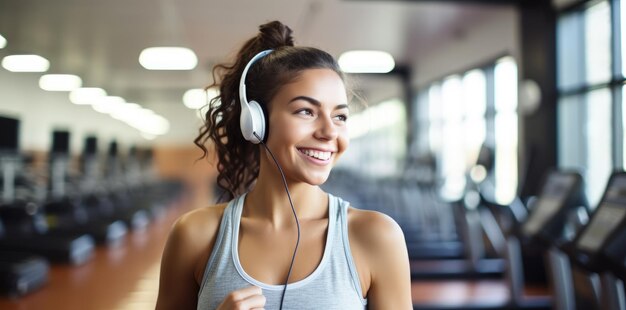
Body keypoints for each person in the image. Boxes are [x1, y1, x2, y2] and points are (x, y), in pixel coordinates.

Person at [155, 20, 411, 310]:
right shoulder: (195, 235)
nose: (329, 132)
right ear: (256, 123)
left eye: (340, 116)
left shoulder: (375, 236)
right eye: (306, 111)